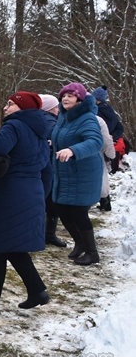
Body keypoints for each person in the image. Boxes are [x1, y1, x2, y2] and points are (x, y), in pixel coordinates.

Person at [0, 91, 52, 317]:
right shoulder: (40, 131)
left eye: (10, 104)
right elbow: (47, 170)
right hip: (32, 191)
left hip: (9, 192)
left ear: (23, 108)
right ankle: (35, 291)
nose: (5, 108)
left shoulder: (15, 126)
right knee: (9, 246)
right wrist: (39, 196)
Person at [50, 82, 103, 266]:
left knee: (79, 212)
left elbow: (95, 141)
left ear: (79, 99)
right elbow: (62, 135)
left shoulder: (87, 118)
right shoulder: (64, 117)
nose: (65, 98)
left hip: (82, 172)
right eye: (63, 95)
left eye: (70, 96)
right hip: (65, 171)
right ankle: (80, 243)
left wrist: (73, 150)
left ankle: (92, 252)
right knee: (61, 207)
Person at [39, 94, 67, 248]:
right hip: (50, 167)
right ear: (50, 108)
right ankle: (47, 234)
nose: (58, 109)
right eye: (56, 107)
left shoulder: (43, 121)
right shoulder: (51, 123)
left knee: (46, 201)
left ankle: (46, 234)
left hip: (44, 167)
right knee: (50, 201)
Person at [92, 86, 125, 174]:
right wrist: (113, 136)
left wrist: (109, 136)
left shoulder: (94, 112)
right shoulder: (110, 110)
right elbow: (120, 128)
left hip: (100, 147)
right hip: (110, 143)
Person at [95, 115, 116, 211]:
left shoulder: (99, 118)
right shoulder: (99, 118)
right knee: (101, 178)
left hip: (97, 152)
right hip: (98, 153)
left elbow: (106, 139)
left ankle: (105, 202)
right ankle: (105, 201)